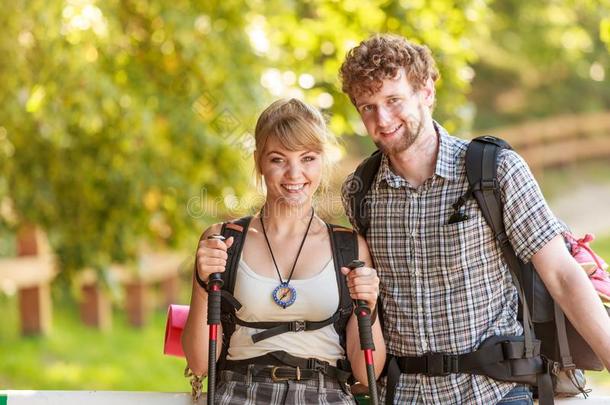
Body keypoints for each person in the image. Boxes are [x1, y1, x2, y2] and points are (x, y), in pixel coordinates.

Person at [338, 34, 610, 404]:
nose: (382, 119)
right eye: (367, 107)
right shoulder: (361, 191)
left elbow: (562, 274)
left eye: (393, 100)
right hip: (405, 395)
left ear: (427, 92)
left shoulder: (494, 171)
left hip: (497, 390)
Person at [182, 98, 386, 404]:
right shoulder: (224, 241)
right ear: (259, 161)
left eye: (308, 158)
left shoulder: (349, 247)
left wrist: (368, 307)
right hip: (240, 393)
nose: (294, 174)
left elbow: (365, 370)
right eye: (278, 159)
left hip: (325, 395)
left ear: (322, 160)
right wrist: (201, 284)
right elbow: (199, 364)